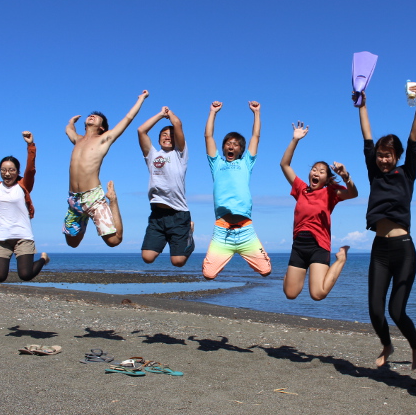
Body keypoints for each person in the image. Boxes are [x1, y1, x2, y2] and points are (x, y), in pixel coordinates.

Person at [355, 86, 416, 370]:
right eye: (380, 155)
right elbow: (367, 136)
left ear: (397, 156)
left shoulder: (407, 173)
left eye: (388, 155)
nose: (383, 159)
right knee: (374, 310)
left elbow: (413, 137)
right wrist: (362, 104)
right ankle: (387, 344)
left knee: (396, 310)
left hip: (403, 249)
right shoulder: (374, 173)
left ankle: (415, 346)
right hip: (380, 249)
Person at [280, 121, 358, 301]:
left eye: (321, 171)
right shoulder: (301, 189)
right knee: (290, 294)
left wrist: (346, 177)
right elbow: (284, 165)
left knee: (318, 294)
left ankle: (341, 259)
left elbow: (353, 194)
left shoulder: (330, 193)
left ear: (327, 178)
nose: (316, 173)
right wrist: (295, 139)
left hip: (319, 246)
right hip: (299, 245)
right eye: (314, 170)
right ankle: (291, 276)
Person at [63, 90, 149, 248]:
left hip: (93, 197)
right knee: (72, 243)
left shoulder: (104, 139)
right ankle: (84, 218)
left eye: (97, 117)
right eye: (90, 115)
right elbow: (68, 130)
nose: (92, 116)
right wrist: (71, 122)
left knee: (114, 241)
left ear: (102, 127)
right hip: (74, 198)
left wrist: (141, 99)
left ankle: (113, 200)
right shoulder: (78, 140)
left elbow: (128, 118)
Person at [202, 100, 271, 279]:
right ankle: (224, 253)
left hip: (245, 231)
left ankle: (242, 251)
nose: (231, 146)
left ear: (241, 150)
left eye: (235, 144)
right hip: (222, 231)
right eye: (228, 143)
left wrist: (256, 113)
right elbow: (208, 137)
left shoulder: (246, 163)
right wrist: (212, 113)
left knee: (266, 270)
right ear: (223, 148)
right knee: (208, 274)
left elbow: (256, 137)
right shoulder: (217, 164)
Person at [0, 127, 49, 282]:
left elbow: (31, 170)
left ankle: (43, 259)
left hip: (23, 236)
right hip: (1, 238)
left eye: (11, 170)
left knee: (25, 275)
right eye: (3, 170)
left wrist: (30, 145)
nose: (7, 173)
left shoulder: (23, 185)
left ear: (17, 171)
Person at [137, 106, 194, 266]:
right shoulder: (152, 155)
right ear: (158, 140)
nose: (168, 137)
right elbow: (141, 130)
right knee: (147, 257)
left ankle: (189, 231)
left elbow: (178, 125)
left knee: (178, 262)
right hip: (157, 215)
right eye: (164, 135)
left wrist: (170, 114)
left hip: (178, 214)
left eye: (171, 135)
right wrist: (160, 115)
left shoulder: (180, 154)